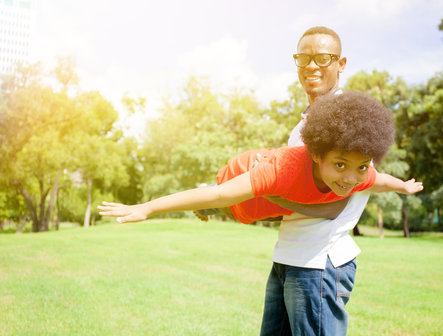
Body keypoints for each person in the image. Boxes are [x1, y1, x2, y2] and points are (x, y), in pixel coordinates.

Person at [98, 91, 422, 225]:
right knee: (222, 197)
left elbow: (379, 181)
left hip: (258, 206)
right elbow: (220, 192)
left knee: (240, 211)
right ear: (316, 154)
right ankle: (207, 201)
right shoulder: (283, 171)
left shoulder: (359, 174)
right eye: (340, 165)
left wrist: (403, 188)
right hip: (243, 172)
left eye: (360, 166)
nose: (351, 178)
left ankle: (218, 209)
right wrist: (149, 207)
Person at [258, 26, 381, 336]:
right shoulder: (302, 126)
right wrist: (228, 202)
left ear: (341, 64)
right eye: (304, 57)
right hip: (288, 255)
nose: (311, 66)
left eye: (323, 58)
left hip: (319, 263)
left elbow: (334, 205)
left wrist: (269, 193)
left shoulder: (351, 119)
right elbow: (293, 196)